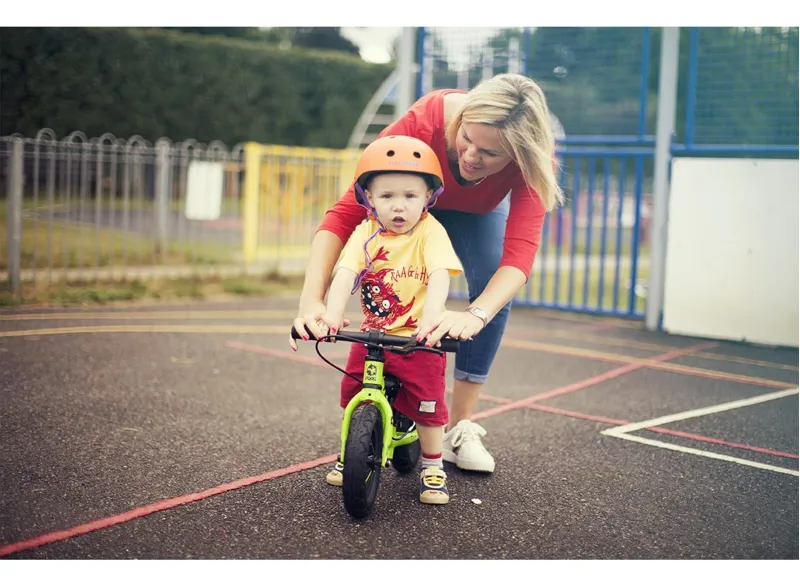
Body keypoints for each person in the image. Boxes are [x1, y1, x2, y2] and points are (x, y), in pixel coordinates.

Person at [290, 73, 564, 474]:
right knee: (389, 268)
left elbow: (519, 257)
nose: (470, 156)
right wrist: (311, 300)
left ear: (519, 155)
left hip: (477, 213)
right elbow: (343, 216)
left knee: (491, 285)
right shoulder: (425, 121)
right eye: (466, 138)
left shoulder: (534, 159)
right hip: (412, 202)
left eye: (489, 153)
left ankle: (461, 427)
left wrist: (475, 315)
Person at [299, 135, 463, 505]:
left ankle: (433, 466)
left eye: (410, 195)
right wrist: (332, 316)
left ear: (428, 198)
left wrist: (433, 318)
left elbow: (439, 274)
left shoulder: (430, 232)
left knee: (428, 404)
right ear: (369, 198)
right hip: (373, 337)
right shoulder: (365, 231)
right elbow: (345, 274)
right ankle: (348, 452)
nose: (399, 206)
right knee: (353, 395)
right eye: (387, 196)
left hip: (416, 339)